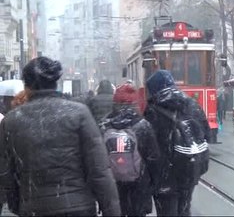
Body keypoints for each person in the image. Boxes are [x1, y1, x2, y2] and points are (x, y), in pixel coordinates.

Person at [0, 57, 120, 216]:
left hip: (34, 207)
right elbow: (99, 170)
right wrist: (111, 210)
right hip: (78, 206)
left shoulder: (12, 120)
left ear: (27, 86)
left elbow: (5, 173)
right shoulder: (79, 113)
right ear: (56, 82)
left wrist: (18, 203)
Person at [144, 70, 210, 216]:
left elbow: (148, 146)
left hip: (164, 177)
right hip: (189, 171)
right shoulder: (192, 104)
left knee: (168, 212)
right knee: (185, 209)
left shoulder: (153, 110)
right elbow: (206, 134)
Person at [101, 83, 160, 216]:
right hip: (138, 186)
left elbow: (96, 160)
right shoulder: (143, 125)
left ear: (115, 103)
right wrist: (153, 184)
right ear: (135, 103)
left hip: (113, 186)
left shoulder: (104, 125)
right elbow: (153, 158)